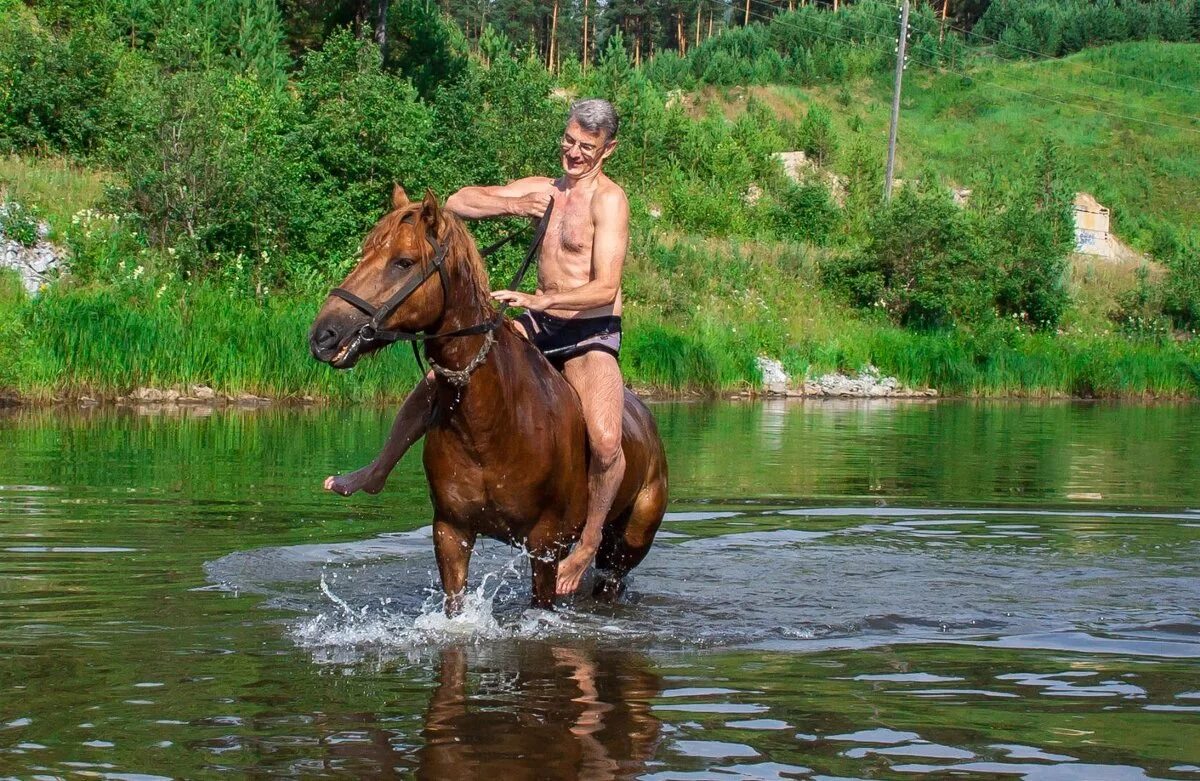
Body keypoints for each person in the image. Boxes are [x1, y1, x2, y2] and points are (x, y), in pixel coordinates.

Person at [324, 98, 630, 597]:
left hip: (587, 332)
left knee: (604, 439)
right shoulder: (543, 188)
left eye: (586, 148)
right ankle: (378, 470)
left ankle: (590, 541)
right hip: (537, 324)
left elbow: (605, 287)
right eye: (569, 141)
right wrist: (513, 205)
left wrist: (541, 297)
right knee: (440, 378)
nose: (573, 154)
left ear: (607, 150)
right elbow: (457, 202)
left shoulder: (609, 202)